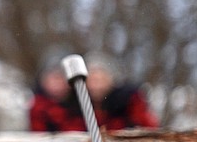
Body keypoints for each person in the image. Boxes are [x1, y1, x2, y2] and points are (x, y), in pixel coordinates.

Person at [29, 55, 159, 132]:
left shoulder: (127, 100)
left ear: (111, 80)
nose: (97, 85)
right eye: (93, 80)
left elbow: (149, 128)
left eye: (101, 79)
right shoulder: (77, 103)